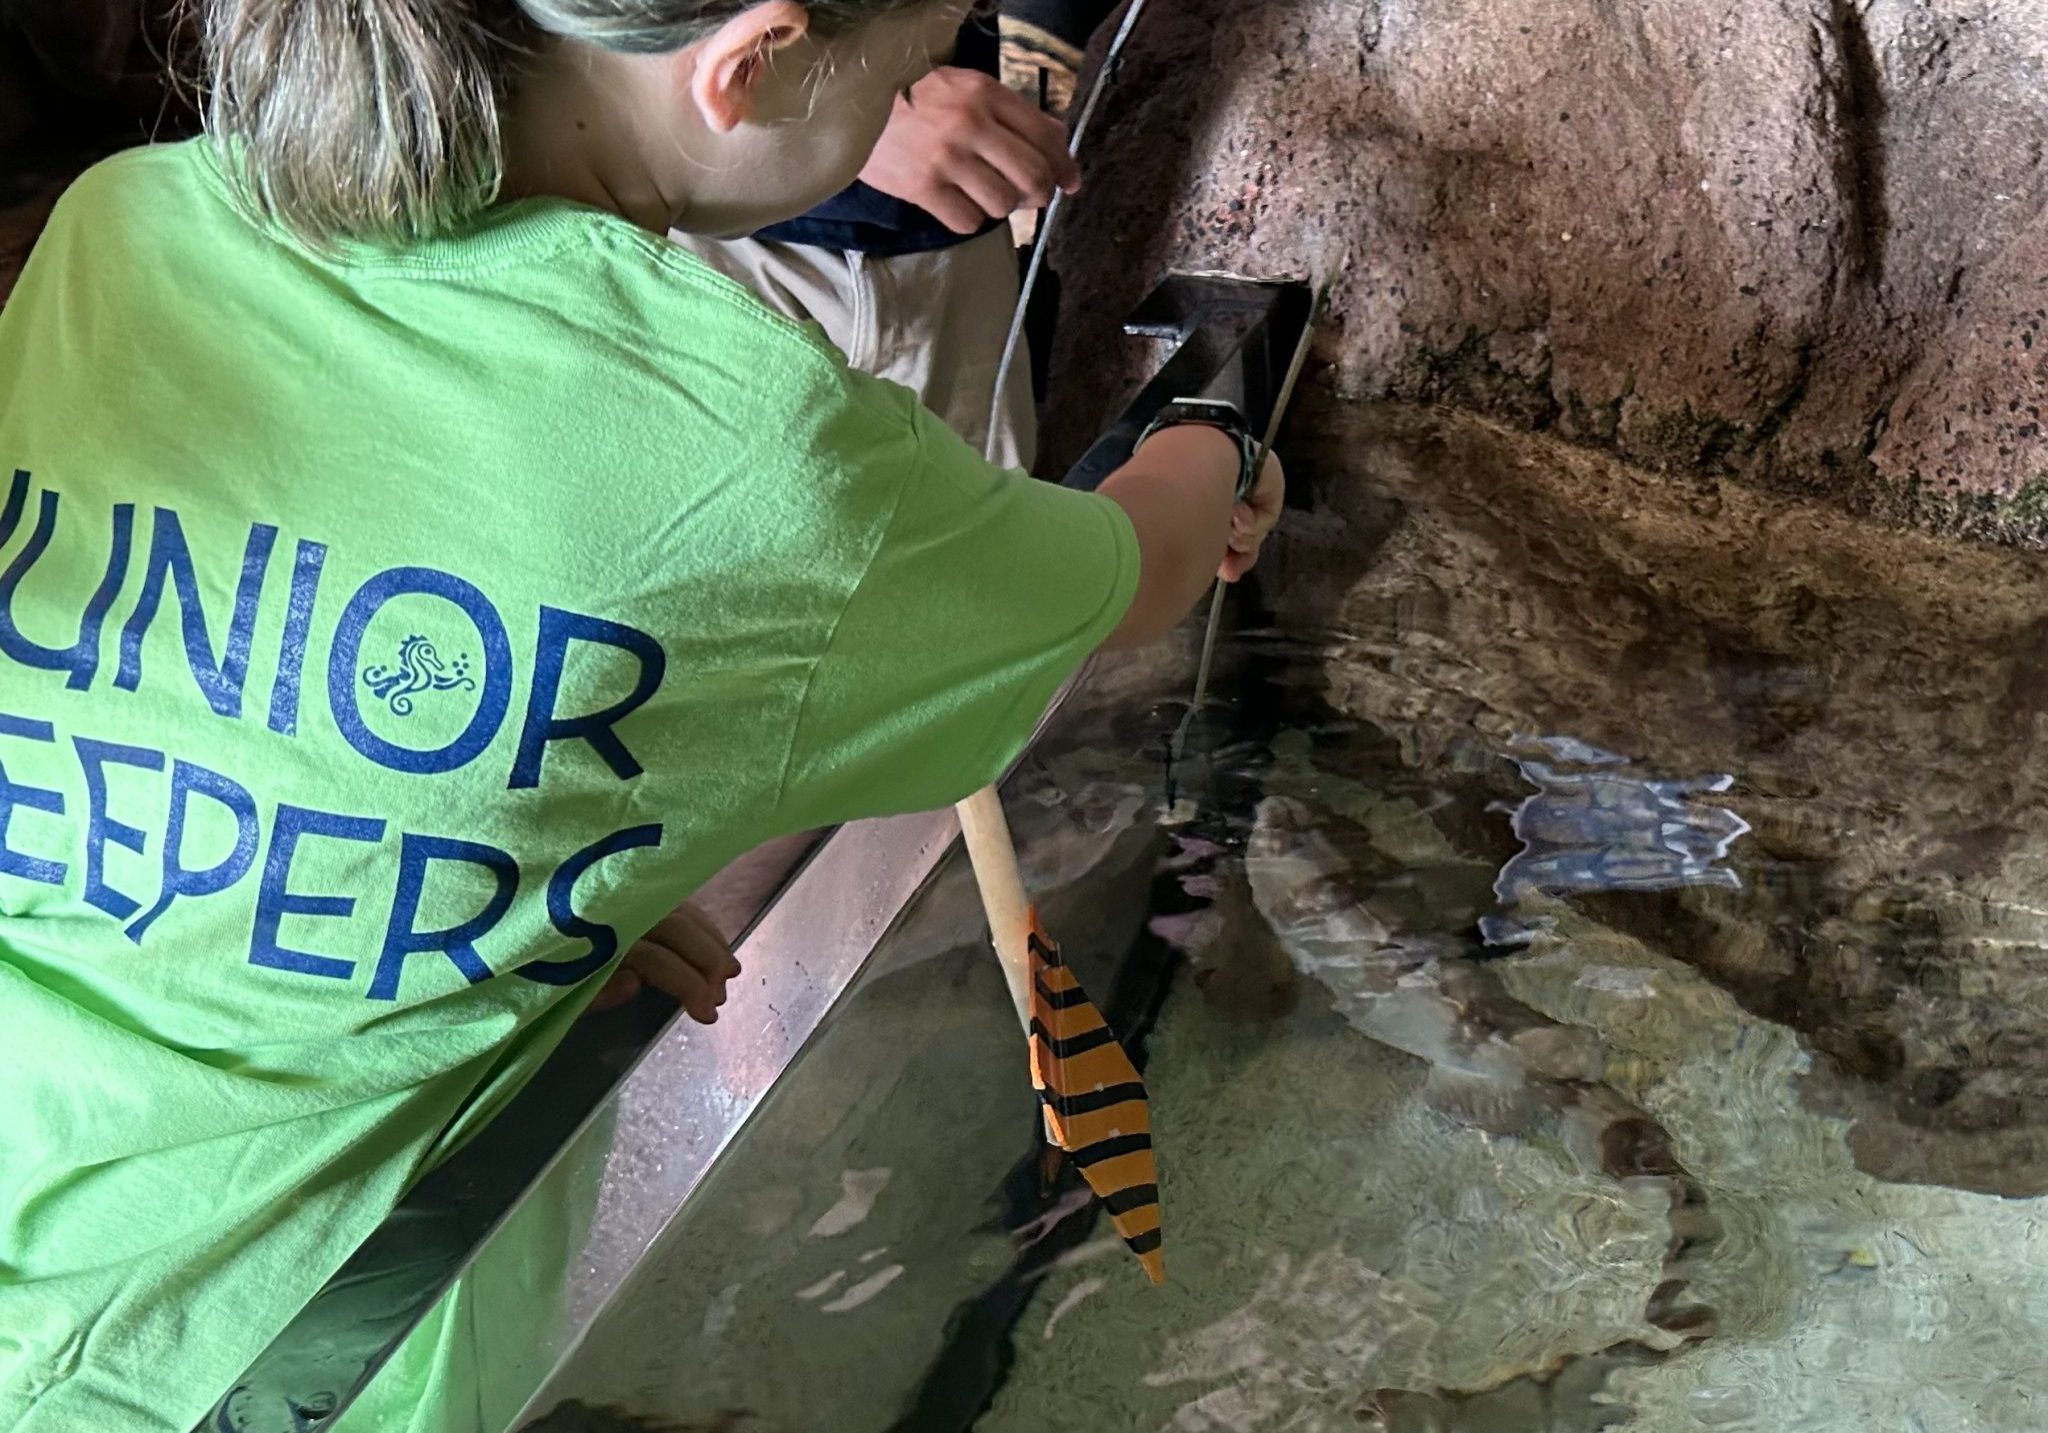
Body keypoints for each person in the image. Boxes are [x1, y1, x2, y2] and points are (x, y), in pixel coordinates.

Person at [0, 2, 1283, 1431]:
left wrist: (525, 875)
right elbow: (1136, 566)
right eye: (903, 70)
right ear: (754, 65)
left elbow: (174, 695)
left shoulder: (123, 225)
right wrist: (1216, 438)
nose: (908, 101)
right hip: (293, 1348)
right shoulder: (765, 454)